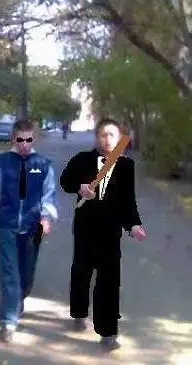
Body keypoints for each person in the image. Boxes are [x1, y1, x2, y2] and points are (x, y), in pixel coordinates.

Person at [60, 117, 147, 351]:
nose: (107, 139)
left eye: (112, 135)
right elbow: (65, 181)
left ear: (119, 139)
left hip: (111, 231)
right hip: (85, 227)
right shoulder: (82, 160)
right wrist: (79, 188)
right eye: (103, 135)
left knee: (109, 281)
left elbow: (128, 202)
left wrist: (133, 225)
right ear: (96, 137)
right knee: (82, 272)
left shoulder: (126, 166)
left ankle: (107, 332)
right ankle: (79, 313)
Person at [0, 118, 58, 343]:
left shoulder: (43, 164)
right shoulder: (2, 163)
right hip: (7, 224)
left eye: (28, 140)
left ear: (35, 139)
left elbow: (49, 194)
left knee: (26, 272)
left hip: (33, 227)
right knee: (9, 272)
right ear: (13, 139)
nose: (24, 144)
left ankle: (16, 300)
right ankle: (8, 319)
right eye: (20, 140)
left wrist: (46, 217)